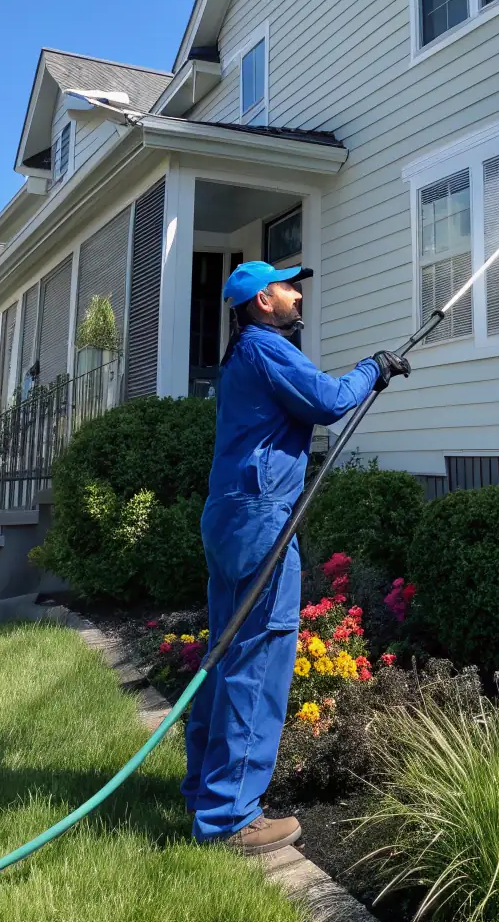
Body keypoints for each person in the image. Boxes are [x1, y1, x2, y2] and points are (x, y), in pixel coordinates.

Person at [182, 260, 411, 854]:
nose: (296, 293)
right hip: (261, 519)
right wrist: (375, 367)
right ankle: (231, 816)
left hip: (232, 514)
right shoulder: (265, 348)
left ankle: (204, 791)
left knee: (227, 650)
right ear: (262, 300)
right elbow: (328, 399)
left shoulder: (240, 358)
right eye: (287, 287)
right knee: (258, 658)